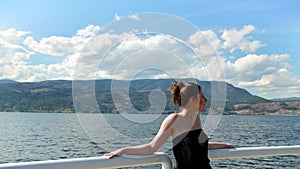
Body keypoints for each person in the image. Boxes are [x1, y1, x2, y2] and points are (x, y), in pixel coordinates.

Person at [104, 81, 234, 169]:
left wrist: (224, 145)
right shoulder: (174, 119)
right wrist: (123, 150)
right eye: (202, 96)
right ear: (193, 99)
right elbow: (151, 147)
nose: (205, 100)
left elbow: (196, 146)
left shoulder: (196, 118)